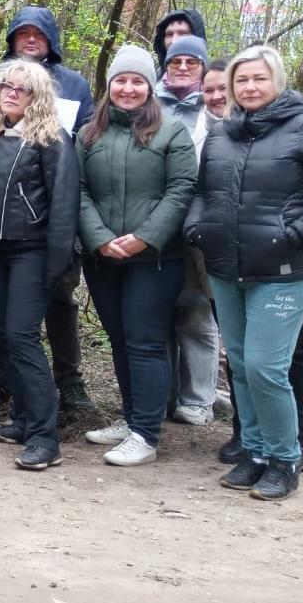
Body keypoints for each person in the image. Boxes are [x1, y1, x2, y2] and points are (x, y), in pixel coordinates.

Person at [186, 46, 303, 501]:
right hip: (226, 267)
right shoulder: (222, 135)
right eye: (242, 80)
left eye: (259, 79)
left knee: (267, 366)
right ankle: (256, 453)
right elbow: (202, 192)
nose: (250, 87)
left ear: (276, 81)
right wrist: (196, 228)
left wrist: (293, 234)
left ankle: (285, 458)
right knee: (241, 365)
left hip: (284, 271)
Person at [0, 6, 95, 413]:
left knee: (55, 303)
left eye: (39, 33)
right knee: (0, 308)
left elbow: (81, 148)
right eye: (22, 33)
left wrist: (65, 232)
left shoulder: (74, 85)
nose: (30, 40)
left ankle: (68, 383)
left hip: (46, 221)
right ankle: (3, 378)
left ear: (51, 39)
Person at [77, 45, 197, 466]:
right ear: (109, 86)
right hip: (103, 256)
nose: (128, 88)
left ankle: (145, 434)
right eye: (120, 81)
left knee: (145, 342)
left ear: (150, 86)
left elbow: (182, 189)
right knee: (121, 341)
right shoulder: (90, 133)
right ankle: (131, 418)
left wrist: (145, 236)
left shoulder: (172, 131)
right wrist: (99, 237)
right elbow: (79, 190)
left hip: (156, 259)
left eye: (137, 81)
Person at [0, 61, 79, 470]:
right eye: (6, 88)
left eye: (22, 90)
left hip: (33, 252)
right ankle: (22, 417)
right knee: (3, 335)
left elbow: (64, 208)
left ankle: (45, 437)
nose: (12, 94)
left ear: (38, 97)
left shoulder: (54, 141)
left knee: (22, 336)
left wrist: (55, 267)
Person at [153, 33, 220, 427]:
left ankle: (198, 399)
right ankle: (162, 396)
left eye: (191, 63)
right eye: (175, 62)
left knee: (195, 313)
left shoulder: (212, 108)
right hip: (154, 222)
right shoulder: (149, 104)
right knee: (157, 311)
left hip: (199, 222)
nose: (181, 68)